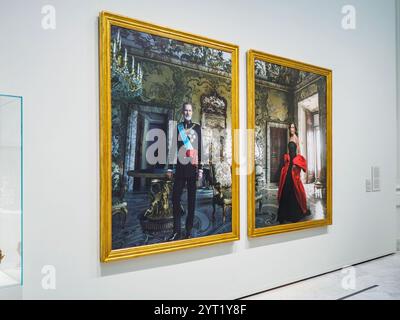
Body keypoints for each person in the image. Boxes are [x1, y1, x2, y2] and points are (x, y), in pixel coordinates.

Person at [167, 103, 203, 240]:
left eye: (190, 110)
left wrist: (200, 169)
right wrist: (170, 167)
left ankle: (188, 230)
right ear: (182, 112)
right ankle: (176, 230)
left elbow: (200, 148)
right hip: (180, 168)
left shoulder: (198, 128)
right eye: (185, 110)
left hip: (192, 168)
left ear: (192, 112)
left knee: (191, 201)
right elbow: (173, 148)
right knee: (175, 198)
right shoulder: (178, 127)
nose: (187, 112)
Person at [277, 123, 310, 224]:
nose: (291, 129)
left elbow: (298, 153)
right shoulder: (290, 138)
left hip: (293, 166)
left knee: (292, 187)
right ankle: (283, 214)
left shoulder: (296, 138)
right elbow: (289, 152)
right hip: (289, 165)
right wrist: (287, 159)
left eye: (293, 127)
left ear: (295, 129)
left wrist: (296, 164)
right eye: (290, 127)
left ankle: (293, 213)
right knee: (285, 187)